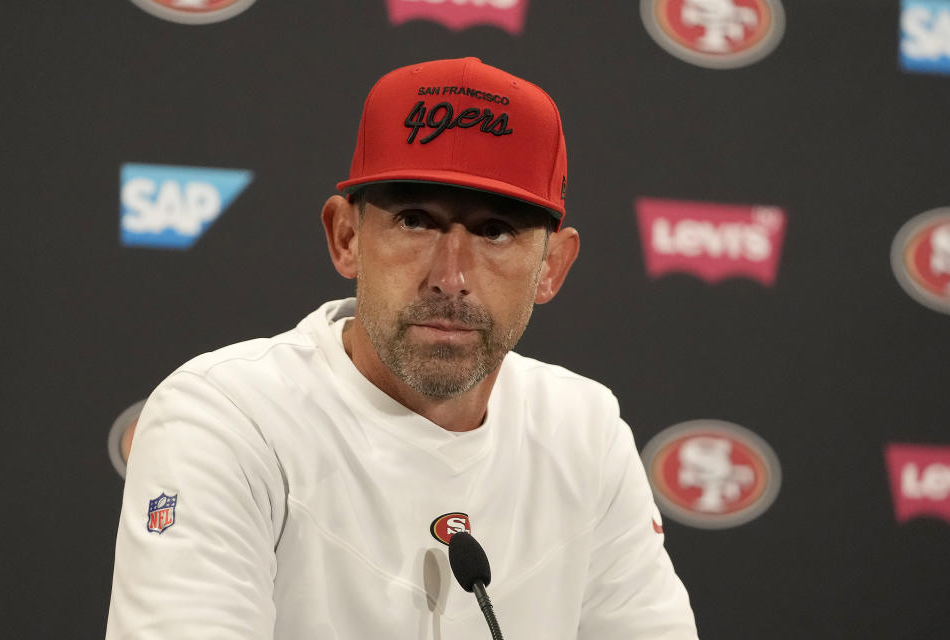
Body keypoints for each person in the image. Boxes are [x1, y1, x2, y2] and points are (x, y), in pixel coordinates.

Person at [106, 57, 698, 639]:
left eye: (495, 231)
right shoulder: (227, 417)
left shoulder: (584, 430)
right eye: (415, 220)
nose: (451, 276)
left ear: (552, 267)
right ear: (346, 238)